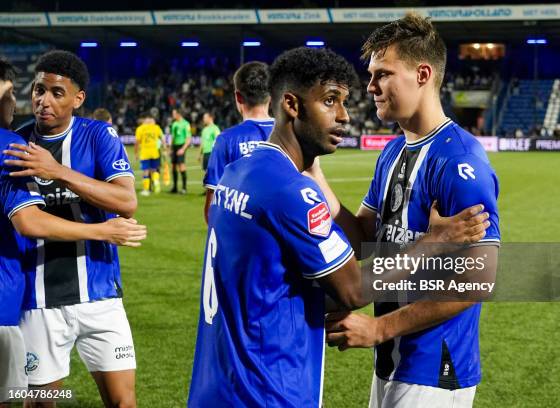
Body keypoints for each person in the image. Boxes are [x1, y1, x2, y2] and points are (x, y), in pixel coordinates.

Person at [188, 47, 490, 407]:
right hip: (267, 389)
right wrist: (433, 242)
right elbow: (351, 288)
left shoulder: (238, 172)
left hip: (219, 382)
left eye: (382, 75)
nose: (345, 115)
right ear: (292, 105)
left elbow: (477, 278)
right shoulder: (290, 190)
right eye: (330, 101)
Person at [314, 14, 500, 408]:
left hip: (435, 369)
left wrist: (380, 327)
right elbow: (365, 236)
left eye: (383, 74)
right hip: (391, 363)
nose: (371, 87)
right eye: (371, 75)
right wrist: (315, 175)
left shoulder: (460, 161)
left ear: (422, 74)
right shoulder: (393, 151)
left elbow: (479, 279)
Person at [0, 58, 146, 407]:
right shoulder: (15, 144)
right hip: (38, 300)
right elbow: (27, 221)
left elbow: (126, 200)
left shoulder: (98, 135)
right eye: (38, 90)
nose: (43, 101)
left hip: (100, 295)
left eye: (56, 93)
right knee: (40, 402)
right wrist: (102, 230)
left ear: (78, 99)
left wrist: (58, 172)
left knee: (124, 402)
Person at [203, 61, 274, 222]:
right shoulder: (291, 134)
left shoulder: (226, 139)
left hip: (241, 237)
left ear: (238, 96)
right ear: (271, 95)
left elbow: (211, 211)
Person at [135, 113, 166, 195]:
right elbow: (163, 138)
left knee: (146, 171)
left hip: (145, 153)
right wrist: (165, 148)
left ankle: (146, 190)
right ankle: (156, 184)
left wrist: (136, 153)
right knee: (154, 169)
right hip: (155, 152)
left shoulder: (140, 129)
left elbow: (137, 142)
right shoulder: (156, 127)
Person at [169, 108, 191, 194]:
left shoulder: (186, 124)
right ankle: (174, 187)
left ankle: (184, 188)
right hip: (175, 146)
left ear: (178, 114)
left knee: (181, 166)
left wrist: (183, 149)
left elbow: (188, 138)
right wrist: (170, 148)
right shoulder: (174, 124)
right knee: (173, 166)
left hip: (181, 146)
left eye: (173, 114)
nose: (172, 115)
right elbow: (173, 137)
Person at [198, 112, 220, 194]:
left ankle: (214, 189)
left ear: (210, 118)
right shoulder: (204, 129)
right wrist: (199, 154)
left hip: (212, 153)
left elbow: (218, 141)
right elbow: (202, 143)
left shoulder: (215, 128)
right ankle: (208, 189)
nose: (203, 119)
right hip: (205, 153)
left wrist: (217, 154)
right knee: (206, 171)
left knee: (212, 171)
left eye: (205, 117)